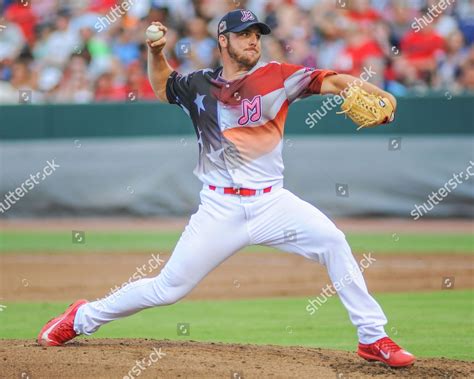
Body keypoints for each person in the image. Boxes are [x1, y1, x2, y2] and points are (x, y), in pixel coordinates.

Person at [37, 9, 415, 368]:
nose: (253, 41)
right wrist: (155, 52)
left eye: (256, 35)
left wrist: (366, 88)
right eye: (244, 35)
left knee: (333, 241)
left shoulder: (279, 76)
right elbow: (162, 86)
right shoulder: (199, 84)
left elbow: (330, 80)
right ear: (223, 40)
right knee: (168, 288)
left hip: (273, 204)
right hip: (219, 209)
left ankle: (372, 337)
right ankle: (82, 317)